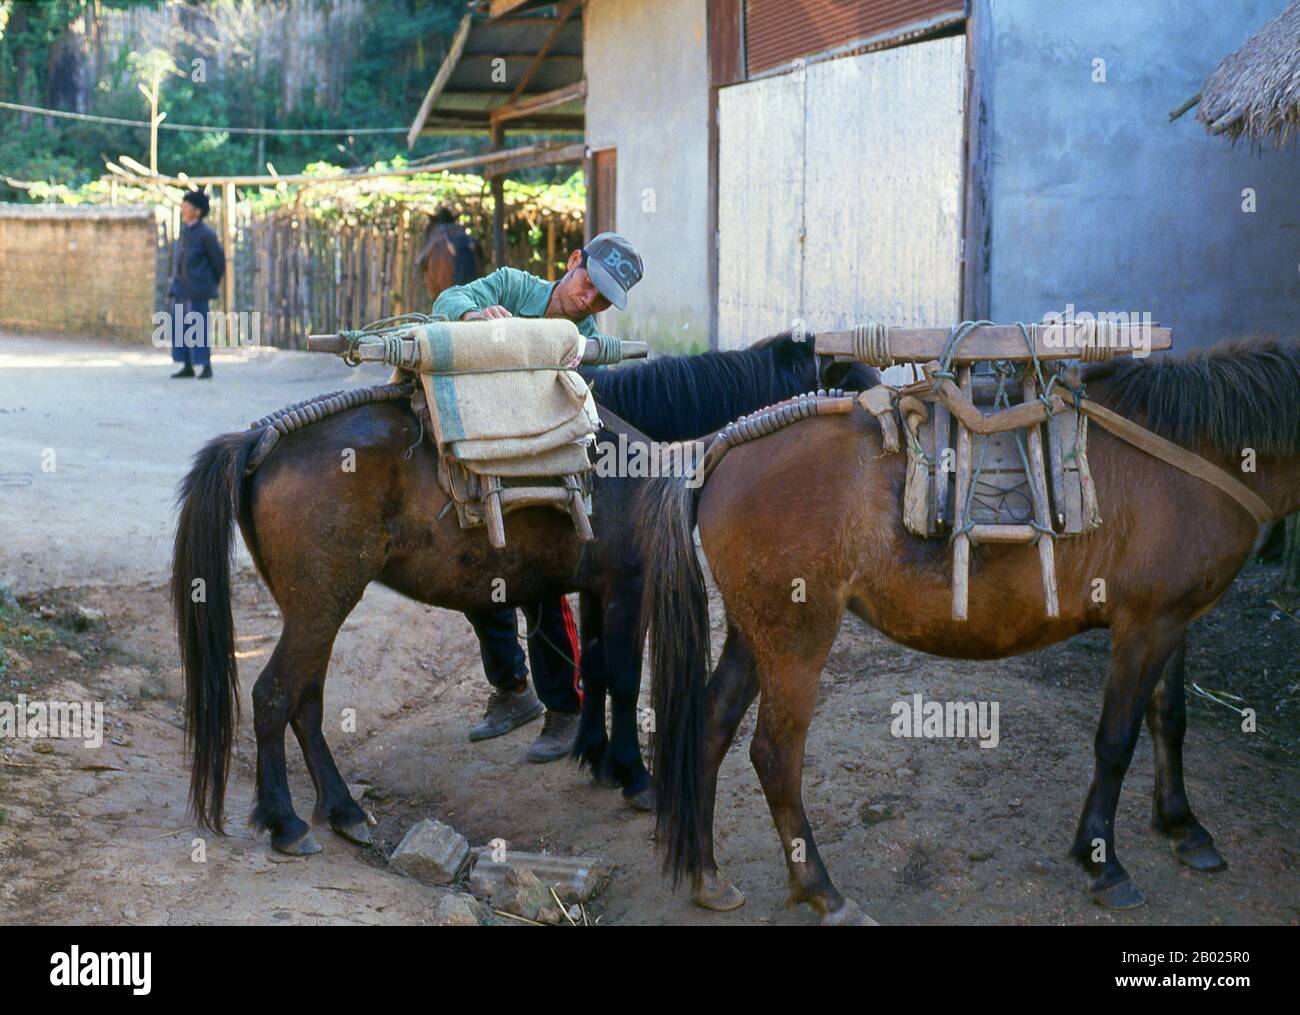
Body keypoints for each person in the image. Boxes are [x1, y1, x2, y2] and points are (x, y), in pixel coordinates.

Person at [433, 232, 644, 762]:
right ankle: (511, 691)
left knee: (541, 585)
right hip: (486, 450)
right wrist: (470, 319)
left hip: (546, 466)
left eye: (600, 300)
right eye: (588, 285)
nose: (588, 302)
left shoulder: (587, 346)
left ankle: (565, 711)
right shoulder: (511, 286)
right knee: (479, 577)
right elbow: (446, 301)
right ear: (573, 263)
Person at [167, 189, 225, 379]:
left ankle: (205, 365)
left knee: (197, 328)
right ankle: (187, 364)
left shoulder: (206, 234)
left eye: (187, 206)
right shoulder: (185, 232)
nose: (183, 210)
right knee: (180, 327)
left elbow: (219, 262)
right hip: (181, 287)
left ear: (197, 211)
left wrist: (208, 283)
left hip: (198, 290)